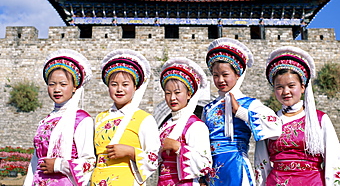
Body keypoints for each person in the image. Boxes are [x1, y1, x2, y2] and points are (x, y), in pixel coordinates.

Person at [255, 46, 340, 185]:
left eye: (291, 86)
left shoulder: (320, 119)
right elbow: (261, 162)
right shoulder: (269, 121)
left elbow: (333, 160)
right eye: (279, 87)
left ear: (302, 87)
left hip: (313, 182)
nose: (286, 91)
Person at [202, 38, 282, 186]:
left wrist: (240, 111)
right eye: (215, 75)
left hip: (237, 165)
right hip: (212, 170)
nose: (220, 80)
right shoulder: (208, 108)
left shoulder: (249, 104)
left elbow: (275, 125)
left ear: (237, 74)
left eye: (225, 75)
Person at [24, 49, 96, 186]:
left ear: (75, 87)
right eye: (52, 84)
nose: (57, 89)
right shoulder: (45, 121)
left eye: (63, 84)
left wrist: (59, 165)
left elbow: (89, 162)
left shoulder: (81, 119)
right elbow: (35, 161)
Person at [90, 49, 160, 186]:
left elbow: (154, 159)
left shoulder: (144, 119)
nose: (119, 89)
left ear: (135, 87)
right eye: (114, 84)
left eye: (125, 84)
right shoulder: (100, 118)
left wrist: (131, 151)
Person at [157, 57, 212, 186]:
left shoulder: (195, 125)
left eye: (177, 92)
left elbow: (205, 164)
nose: (172, 98)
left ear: (189, 94)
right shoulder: (165, 126)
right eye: (168, 93)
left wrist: (177, 147)